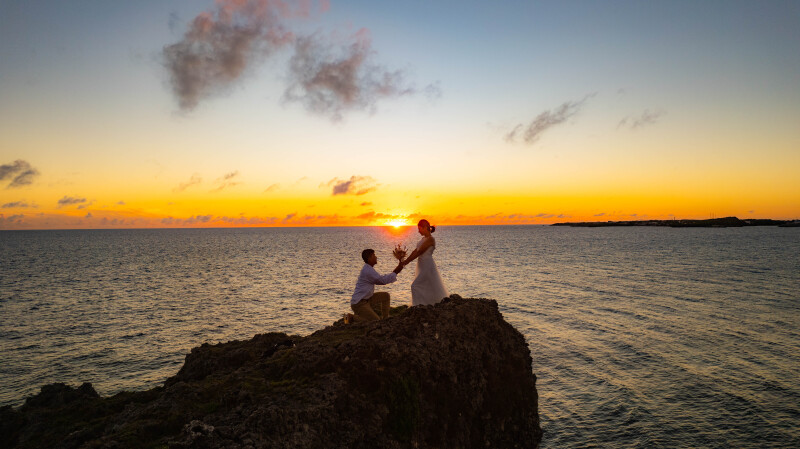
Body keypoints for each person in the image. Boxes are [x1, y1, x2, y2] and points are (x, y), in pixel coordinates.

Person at [401, 219, 448, 306]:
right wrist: (405, 261)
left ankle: (417, 306)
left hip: (427, 265)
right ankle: (426, 304)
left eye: (419, 229)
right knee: (427, 286)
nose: (418, 231)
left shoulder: (431, 239)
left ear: (425, 227)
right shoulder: (423, 239)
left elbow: (420, 252)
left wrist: (406, 262)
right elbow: (415, 251)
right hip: (422, 265)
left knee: (415, 286)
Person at [350, 248, 404, 322]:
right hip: (359, 303)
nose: (376, 257)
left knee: (385, 296)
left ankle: (385, 319)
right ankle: (352, 318)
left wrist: (397, 268)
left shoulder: (369, 268)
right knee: (375, 321)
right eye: (374, 255)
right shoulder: (368, 270)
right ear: (369, 258)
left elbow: (381, 278)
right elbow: (382, 281)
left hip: (367, 299)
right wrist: (396, 271)